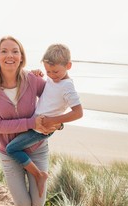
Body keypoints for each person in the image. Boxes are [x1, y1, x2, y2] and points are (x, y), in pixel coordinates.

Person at [0, 36, 58, 206]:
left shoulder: (32, 80)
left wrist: (59, 121)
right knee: (23, 205)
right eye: (4, 51)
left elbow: (55, 97)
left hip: (36, 147)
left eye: (15, 51)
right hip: (8, 151)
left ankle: (38, 181)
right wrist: (32, 123)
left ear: (21, 56)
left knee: (38, 204)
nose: (9, 55)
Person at [6, 44, 83, 197]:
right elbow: (47, 94)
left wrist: (53, 120)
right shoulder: (53, 79)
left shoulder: (67, 86)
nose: (52, 75)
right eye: (48, 71)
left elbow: (78, 113)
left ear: (68, 66)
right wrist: (36, 73)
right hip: (35, 125)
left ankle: (39, 175)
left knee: (11, 149)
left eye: (55, 71)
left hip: (41, 130)